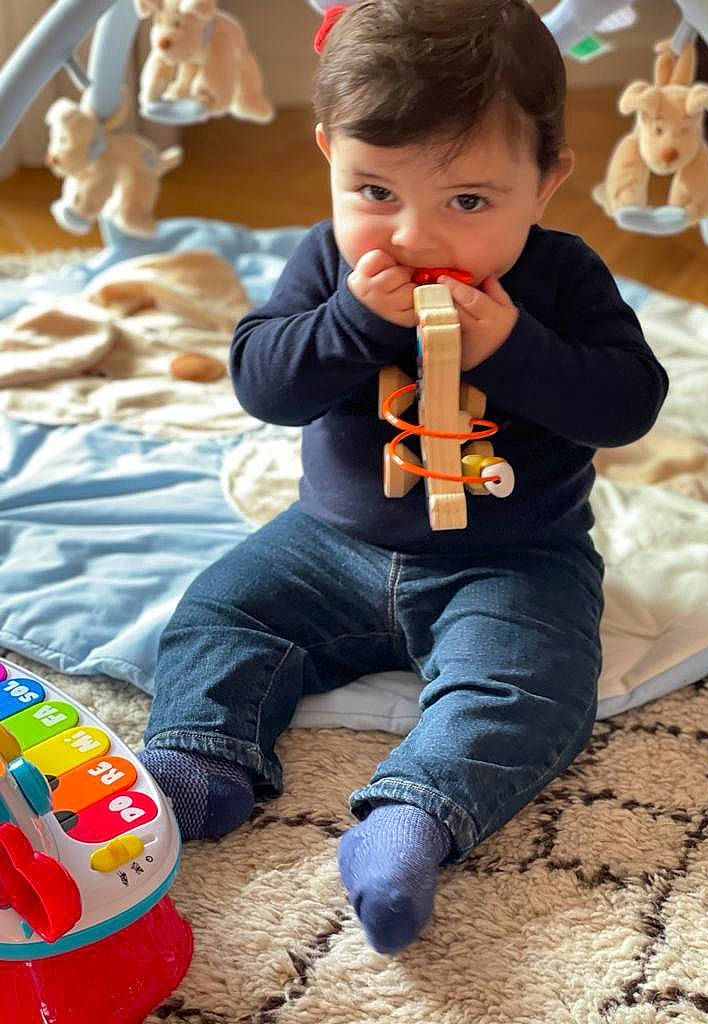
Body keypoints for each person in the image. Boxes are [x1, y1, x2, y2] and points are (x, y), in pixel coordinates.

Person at [139, 0, 668, 955]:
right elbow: (263, 383)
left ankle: (414, 818)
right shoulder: (329, 263)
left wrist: (517, 347)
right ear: (328, 156)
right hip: (326, 543)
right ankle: (199, 761)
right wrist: (348, 321)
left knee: (534, 685)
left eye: (468, 202)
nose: (415, 236)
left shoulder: (562, 277)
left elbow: (628, 403)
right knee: (218, 612)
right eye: (376, 191)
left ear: (546, 182)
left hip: (512, 558)